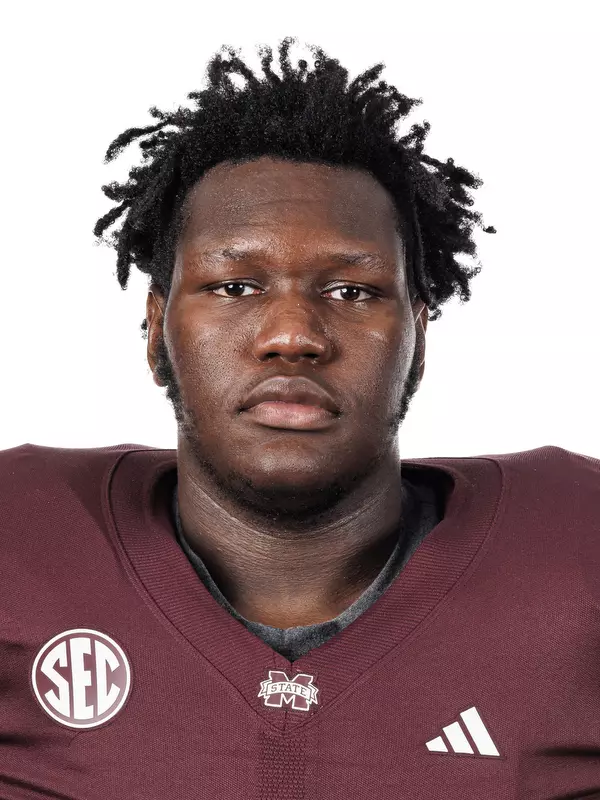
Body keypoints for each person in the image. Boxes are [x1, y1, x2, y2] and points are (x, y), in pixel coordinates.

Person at [2, 36, 599, 800]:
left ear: (419, 336)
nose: (293, 334)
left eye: (352, 292)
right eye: (235, 286)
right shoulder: (20, 536)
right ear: (156, 328)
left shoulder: (579, 550)